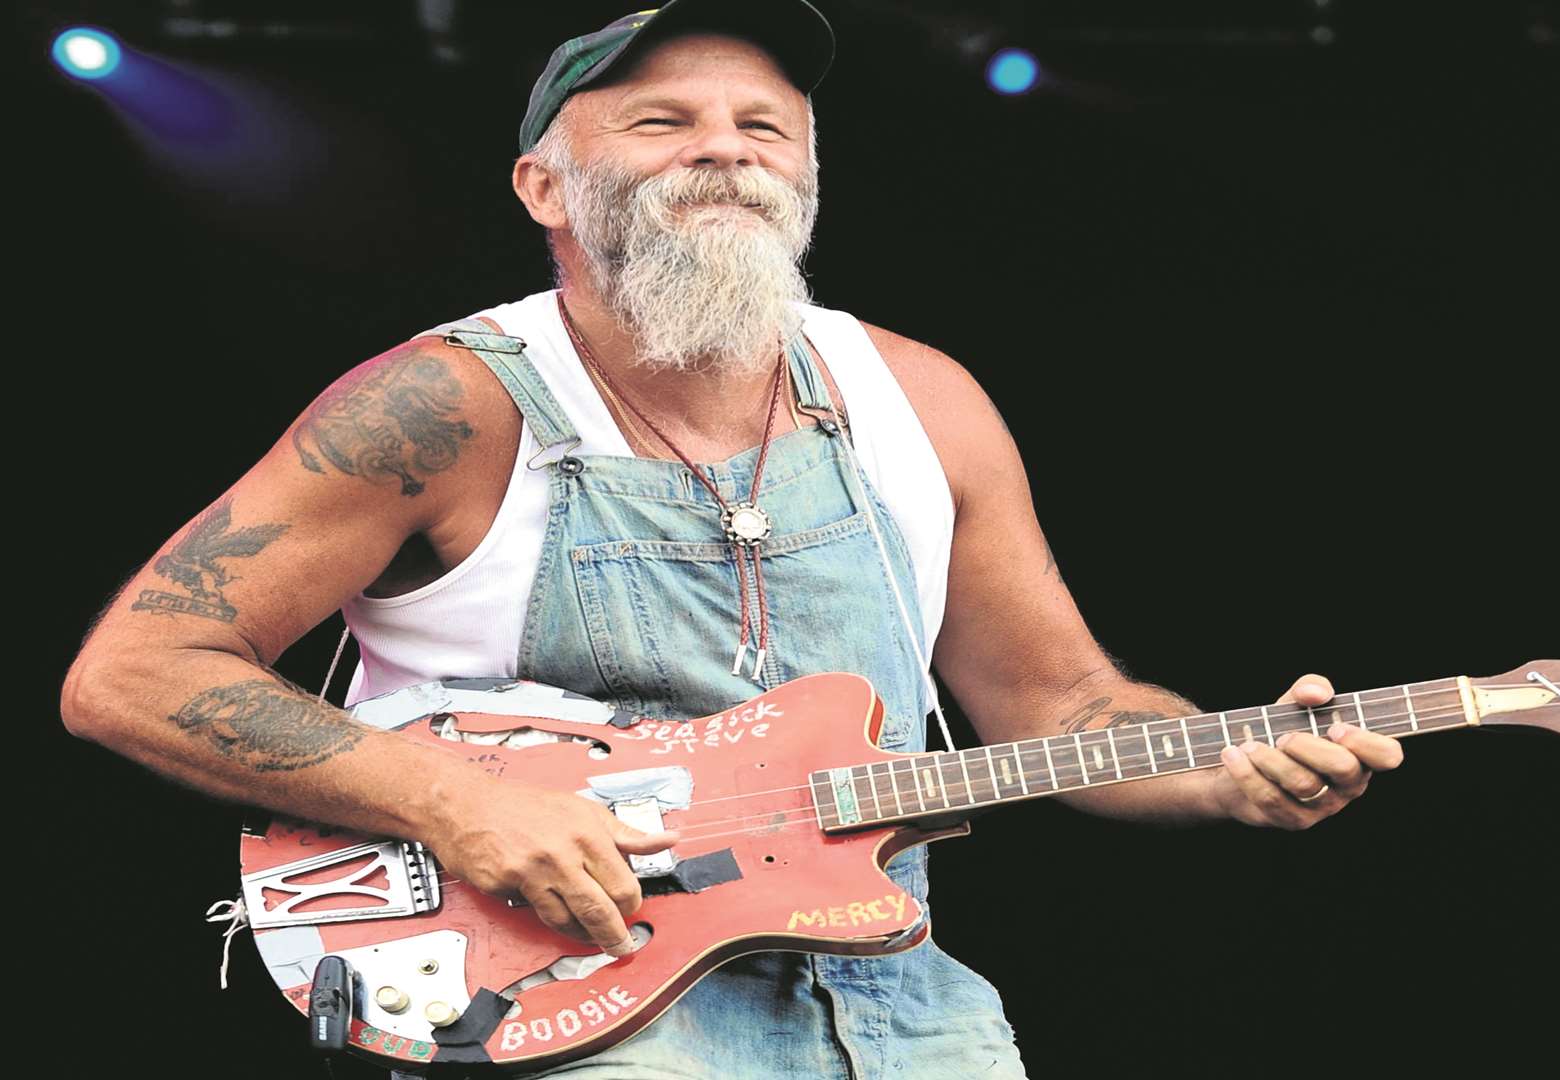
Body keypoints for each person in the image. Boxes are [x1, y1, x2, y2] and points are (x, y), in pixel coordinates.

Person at [60, 2, 1404, 1076]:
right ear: (544, 183)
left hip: (898, 1015)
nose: (727, 146)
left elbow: (1061, 703)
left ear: (809, 173)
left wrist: (1228, 773)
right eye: (664, 118)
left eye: (767, 122)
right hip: (560, 1011)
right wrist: (451, 801)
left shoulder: (918, 399)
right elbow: (136, 671)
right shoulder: (448, 403)